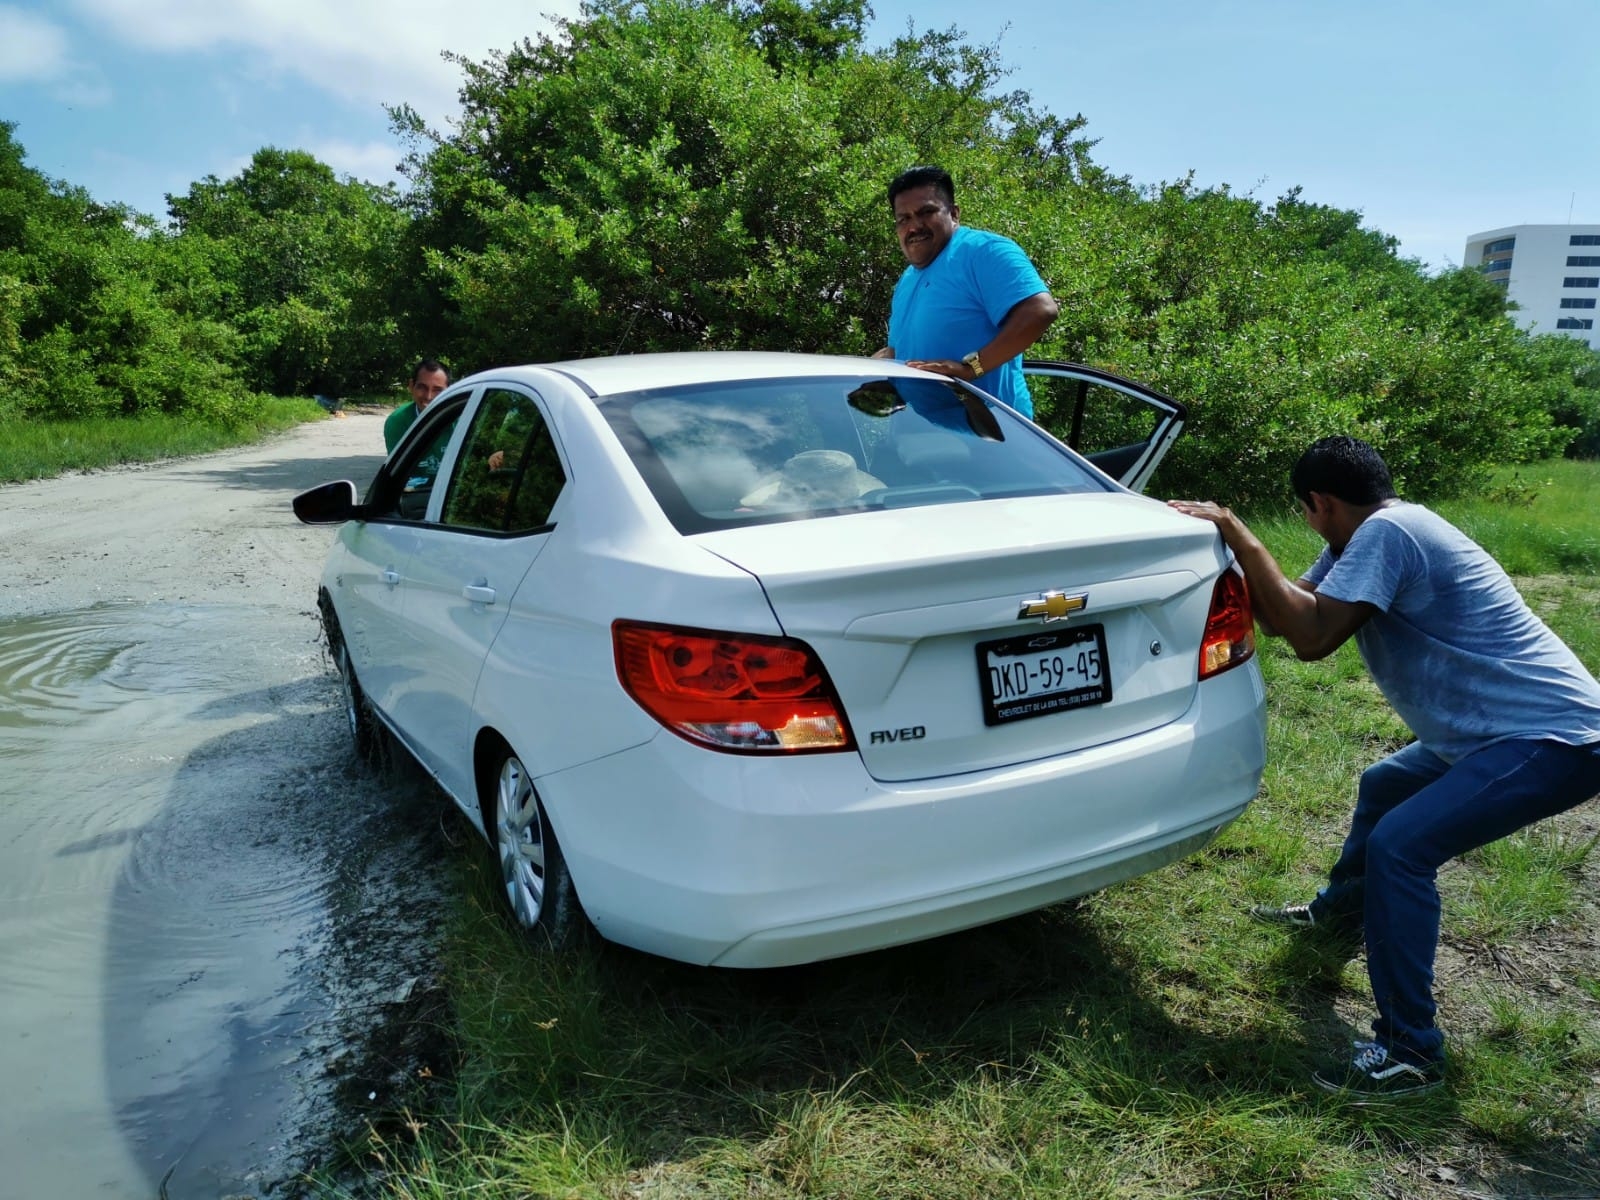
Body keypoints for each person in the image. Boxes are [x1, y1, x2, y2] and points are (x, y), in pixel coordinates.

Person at [1169, 437, 1600, 1099]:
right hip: (1492, 735)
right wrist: (1223, 555)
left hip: (1553, 738)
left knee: (1401, 848)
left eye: (1308, 513)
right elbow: (1289, 612)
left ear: (1321, 503)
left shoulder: (1391, 534)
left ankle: (1411, 1051)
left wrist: (1234, 527)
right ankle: (1341, 914)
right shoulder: (1366, 534)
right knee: (1386, 785)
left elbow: (1313, 641)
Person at [874, 166, 1059, 419]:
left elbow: (1040, 310)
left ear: (954, 213)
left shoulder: (984, 251)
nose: (914, 226)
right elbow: (901, 350)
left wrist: (971, 368)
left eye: (926, 212)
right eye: (903, 219)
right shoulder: (907, 279)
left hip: (989, 436)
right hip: (919, 434)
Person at [383, 359, 451, 453]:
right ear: (411, 386)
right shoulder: (398, 421)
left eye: (437, 390)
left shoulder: (460, 417)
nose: (428, 396)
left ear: (450, 391)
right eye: (422, 387)